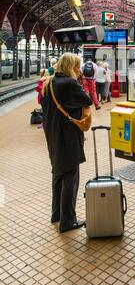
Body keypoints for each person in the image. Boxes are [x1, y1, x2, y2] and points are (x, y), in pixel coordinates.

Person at [41, 53, 92, 233]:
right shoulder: (69, 83)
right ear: (70, 66)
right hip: (67, 136)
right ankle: (68, 221)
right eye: (77, 67)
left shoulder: (49, 83)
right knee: (71, 176)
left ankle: (56, 214)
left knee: (57, 174)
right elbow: (88, 100)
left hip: (52, 135)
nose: (79, 70)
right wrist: (78, 82)